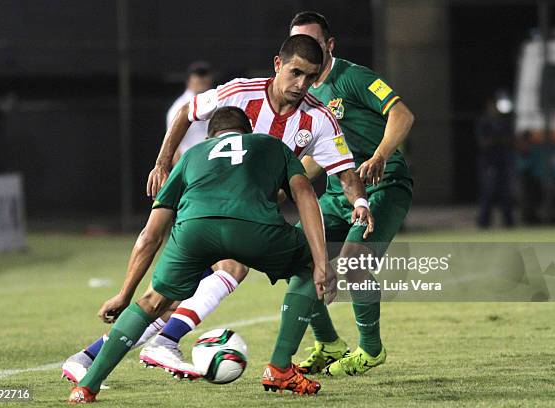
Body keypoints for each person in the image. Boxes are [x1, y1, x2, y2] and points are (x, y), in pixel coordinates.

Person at [62, 34, 373, 382]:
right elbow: (186, 112)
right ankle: (166, 342)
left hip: (250, 212)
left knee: (169, 294)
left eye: (311, 77)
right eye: (296, 73)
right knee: (236, 268)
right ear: (277, 65)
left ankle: (89, 358)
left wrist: (359, 200)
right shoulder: (240, 91)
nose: (302, 84)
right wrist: (163, 162)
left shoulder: (317, 118)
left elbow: (346, 174)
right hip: (212, 200)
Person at [67, 107, 335, 403]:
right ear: (247, 131)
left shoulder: (193, 155)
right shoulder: (270, 144)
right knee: (308, 264)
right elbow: (305, 194)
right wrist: (321, 262)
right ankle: (280, 367)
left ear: (211, 136)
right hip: (253, 228)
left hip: (194, 230)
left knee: (152, 301)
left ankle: (86, 387)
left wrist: (123, 293)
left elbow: (150, 235)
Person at [289, 11, 415, 376]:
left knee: (354, 261)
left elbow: (402, 115)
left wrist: (379, 155)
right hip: (336, 192)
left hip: (384, 183)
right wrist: (284, 187)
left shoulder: (352, 77)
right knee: (298, 258)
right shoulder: (305, 94)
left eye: (312, 44)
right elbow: (317, 157)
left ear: (329, 45)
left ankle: (371, 350)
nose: (304, 52)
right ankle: (327, 343)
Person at [476, 97, 514, 228]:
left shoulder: (504, 122)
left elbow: (510, 140)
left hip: (502, 161)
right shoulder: (484, 122)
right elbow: (483, 143)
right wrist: (496, 140)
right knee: (488, 191)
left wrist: (500, 140)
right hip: (489, 162)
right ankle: (483, 222)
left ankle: (509, 221)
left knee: (506, 192)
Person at [166, 61, 213, 165]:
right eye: (198, 75)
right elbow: (172, 145)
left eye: (205, 75)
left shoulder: (216, 102)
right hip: (191, 165)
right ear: (189, 80)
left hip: (212, 163)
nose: (202, 79)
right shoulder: (179, 108)